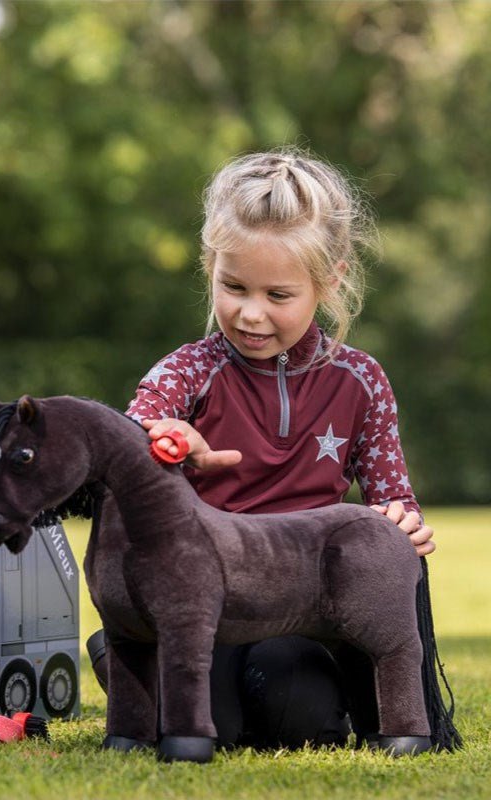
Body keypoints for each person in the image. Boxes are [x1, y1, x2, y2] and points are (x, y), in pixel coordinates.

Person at [87, 148, 435, 750]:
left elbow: (394, 501)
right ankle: (127, 655)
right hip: (202, 601)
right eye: (234, 287)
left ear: (329, 281)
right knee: (208, 724)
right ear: (210, 267)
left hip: (304, 604)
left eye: (278, 295)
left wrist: (403, 523)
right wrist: (167, 442)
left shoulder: (362, 381)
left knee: (299, 718)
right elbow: (126, 445)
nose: (251, 314)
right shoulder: (187, 370)